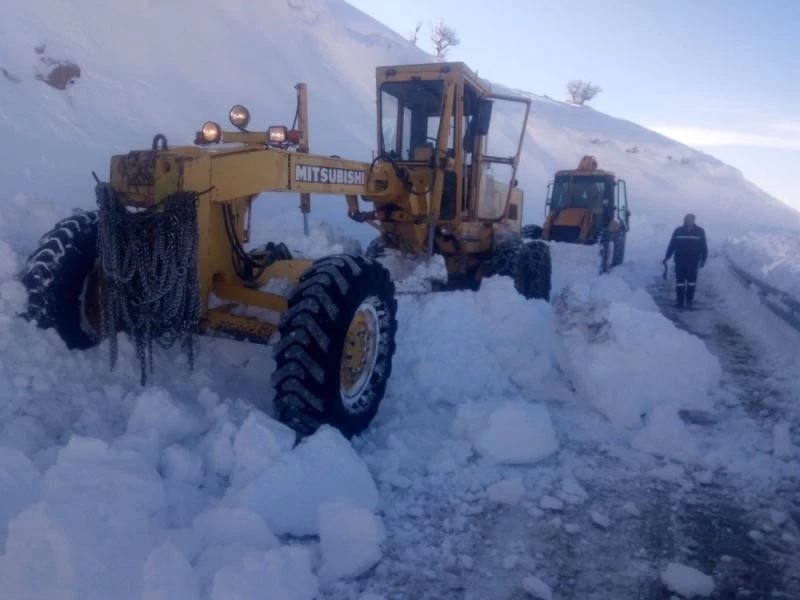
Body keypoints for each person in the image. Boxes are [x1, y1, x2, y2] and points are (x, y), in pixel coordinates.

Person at [662, 213, 708, 308]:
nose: (689, 221)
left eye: (691, 219)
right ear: (684, 220)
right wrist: (667, 257)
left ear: (694, 220)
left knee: (691, 283)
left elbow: (704, 247)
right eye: (687, 219)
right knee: (680, 283)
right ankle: (680, 302)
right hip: (680, 261)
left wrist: (704, 259)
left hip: (693, 262)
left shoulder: (700, 232)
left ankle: (689, 301)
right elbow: (672, 245)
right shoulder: (678, 231)